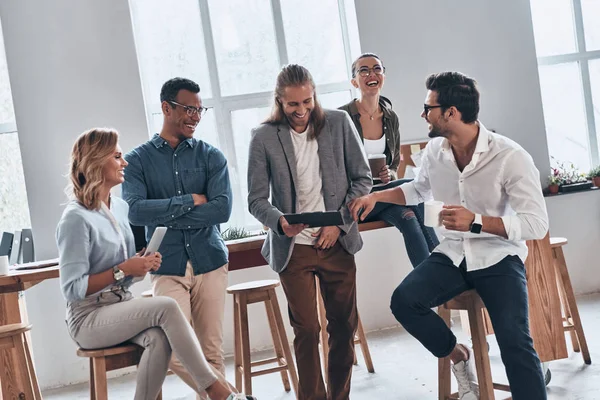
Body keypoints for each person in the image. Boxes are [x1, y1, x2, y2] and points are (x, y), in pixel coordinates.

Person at [348, 72, 549, 400]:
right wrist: (377, 196)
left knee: (515, 341)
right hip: (453, 254)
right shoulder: (435, 151)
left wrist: (477, 222)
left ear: (451, 112)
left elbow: (536, 224)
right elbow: (417, 189)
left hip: (499, 256)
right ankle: (458, 355)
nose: (423, 114)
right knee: (404, 301)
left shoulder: (511, 157)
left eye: (428, 108)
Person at [56, 128, 254, 400]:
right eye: (116, 156)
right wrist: (123, 269)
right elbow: (73, 289)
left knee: (160, 339)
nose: (124, 162)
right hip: (88, 318)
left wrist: (141, 265)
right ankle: (219, 393)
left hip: (119, 305)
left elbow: (125, 275)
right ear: (96, 161)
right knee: (167, 307)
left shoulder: (119, 209)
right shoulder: (75, 218)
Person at [247, 64, 371, 400]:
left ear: (314, 96)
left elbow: (362, 180)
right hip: (293, 246)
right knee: (307, 330)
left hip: (337, 241)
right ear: (279, 101)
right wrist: (280, 222)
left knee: (344, 327)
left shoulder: (338, 123)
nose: (301, 111)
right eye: (292, 105)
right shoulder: (262, 137)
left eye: (306, 102)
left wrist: (337, 223)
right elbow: (256, 200)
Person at [122, 78, 232, 399]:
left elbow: (221, 210)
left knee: (211, 353)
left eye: (199, 110)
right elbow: (136, 212)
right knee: (175, 350)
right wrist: (188, 201)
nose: (195, 116)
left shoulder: (211, 156)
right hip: (167, 265)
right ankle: (235, 398)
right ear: (166, 108)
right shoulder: (138, 160)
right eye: (188, 109)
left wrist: (165, 212)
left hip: (210, 260)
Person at [339, 53, 438, 268]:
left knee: (409, 218)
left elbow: (393, 167)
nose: (371, 74)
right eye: (363, 70)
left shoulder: (391, 117)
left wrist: (389, 174)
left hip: (385, 194)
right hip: (357, 200)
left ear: (383, 76)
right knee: (412, 187)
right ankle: (447, 271)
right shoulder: (342, 118)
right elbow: (333, 168)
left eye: (376, 69)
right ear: (354, 81)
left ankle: (431, 290)